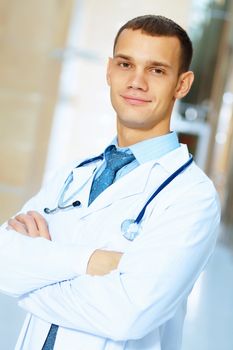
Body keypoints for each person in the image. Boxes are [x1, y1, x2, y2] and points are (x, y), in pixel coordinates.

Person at [0, 14, 220, 350]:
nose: (137, 82)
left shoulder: (192, 197)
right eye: (125, 64)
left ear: (182, 84)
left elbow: (126, 314)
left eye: (156, 70)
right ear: (108, 70)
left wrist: (35, 270)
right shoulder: (74, 173)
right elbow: (4, 262)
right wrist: (89, 261)